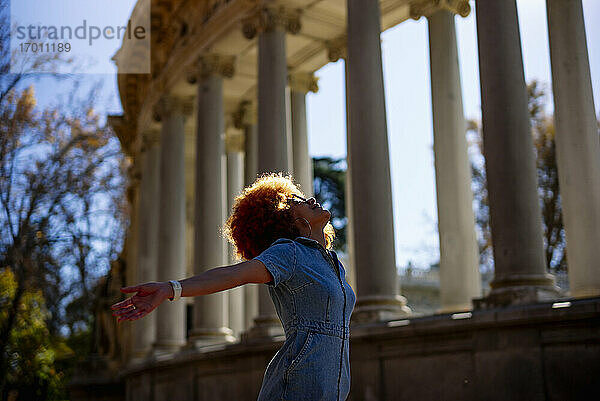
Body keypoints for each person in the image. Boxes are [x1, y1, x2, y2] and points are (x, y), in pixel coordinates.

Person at [111, 172, 356, 400]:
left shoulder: (334, 264)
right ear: (285, 216)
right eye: (296, 200)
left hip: (332, 387)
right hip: (296, 384)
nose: (310, 199)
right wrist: (170, 288)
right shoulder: (289, 253)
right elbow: (234, 275)